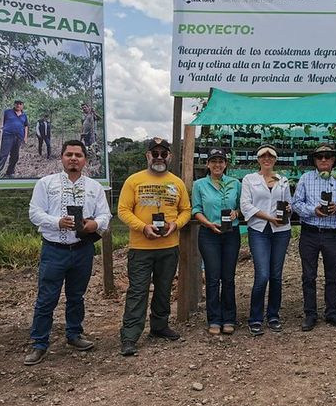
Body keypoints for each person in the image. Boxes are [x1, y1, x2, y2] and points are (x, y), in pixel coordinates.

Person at [24, 140, 111, 365]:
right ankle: (39, 343)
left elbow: (105, 215)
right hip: (54, 250)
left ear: (85, 160)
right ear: (61, 158)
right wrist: (57, 222)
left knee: (76, 296)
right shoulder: (46, 183)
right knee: (46, 298)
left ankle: (74, 335)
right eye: (69, 154)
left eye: (78, 155)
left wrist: (94, 225)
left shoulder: (94, 187)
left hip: (82, 250)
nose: (73, 158)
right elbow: (34, 213)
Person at [118, 137, 192, 356]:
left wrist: (175, 225)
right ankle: (130, 336)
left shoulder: (177, 182)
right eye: (155, 153)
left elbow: (186, 210)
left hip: (169, 245)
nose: (159, 157)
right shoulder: (134, 180)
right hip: (141, 247)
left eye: (163, 154)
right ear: (147, 156)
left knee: (164, 289)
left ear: (170, 156)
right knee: (138, 291)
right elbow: (123, 210)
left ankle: (159, 326)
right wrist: (143, 227)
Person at [291, 143, 336, 331]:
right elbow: (296, 204)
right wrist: (313, 210)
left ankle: (332, 312)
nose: (323, 159)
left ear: (334, 159)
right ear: (315, 160)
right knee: (308, 275)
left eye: (327, 156)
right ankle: (310, 314)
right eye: (319, 157)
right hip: (310, 232)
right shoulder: (306, 178)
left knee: (332, 275)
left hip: (332, 234)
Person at [240, 144, 292, 336]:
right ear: (258, 159)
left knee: (276, 275)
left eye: (271, 156)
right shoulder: (249, 179)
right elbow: (245, 205)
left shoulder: (283, 180)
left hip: (281, 231)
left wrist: (288, 209)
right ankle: (255, 317)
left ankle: (273, 315)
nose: (267, 159)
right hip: (259, 230)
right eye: (263, 156)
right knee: (262, 274)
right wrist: (270, 218)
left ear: (275, 159)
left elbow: (289, 204)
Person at [192, 148, 241, 335]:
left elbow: (240, 206)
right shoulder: (199, 185)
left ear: (226, 164)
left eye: (221, 161)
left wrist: (237, 212)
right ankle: (214, 319)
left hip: (231, 233)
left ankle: (229, 318)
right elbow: (196, 209)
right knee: (213, 277)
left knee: (228, 277)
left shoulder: (235, 183)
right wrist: (207, 223)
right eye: (213, 161)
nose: (217, 165)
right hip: (209, 233)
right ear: (208, 164)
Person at [0, 99, 28, 177]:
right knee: (4, 154)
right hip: (8, 136)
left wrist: (25, 137)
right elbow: (1, 122)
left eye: (20, 104)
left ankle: (10, 172)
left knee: (15, 156)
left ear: (22, 105)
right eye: (17, 103)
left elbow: (26, 126)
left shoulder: (24, 115)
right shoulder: (7, 112)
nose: (18, 105)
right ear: (14, 104)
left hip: (19, 137)